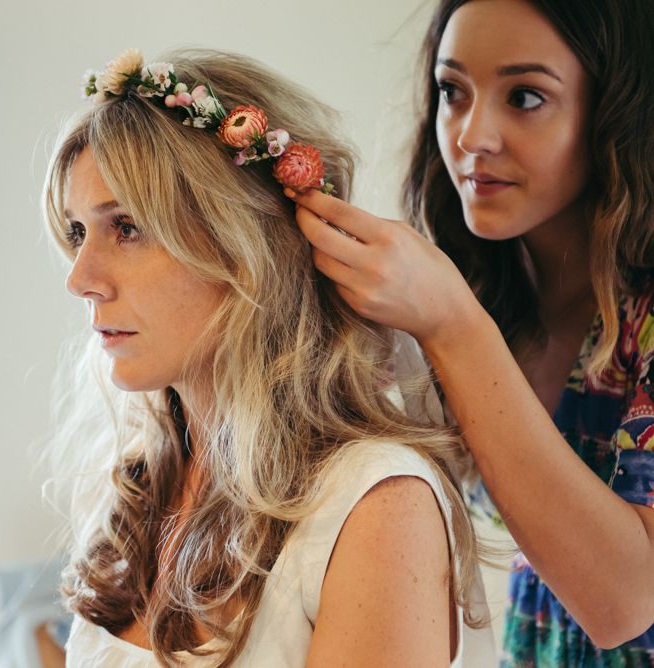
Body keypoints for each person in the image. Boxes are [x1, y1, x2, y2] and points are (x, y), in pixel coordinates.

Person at [42, 48, 496, 667]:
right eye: (76, 232)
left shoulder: (375, 506)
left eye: (126, 227)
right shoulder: (138, 488)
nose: (80, 277)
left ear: (244, 247)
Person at [286, 0, 654, 665]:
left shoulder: (457, 312)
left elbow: (625, 601)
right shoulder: (481, 293)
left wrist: (453, 325)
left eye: (525, 96)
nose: (470, 135)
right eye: (453, 91)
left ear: (614, 111)